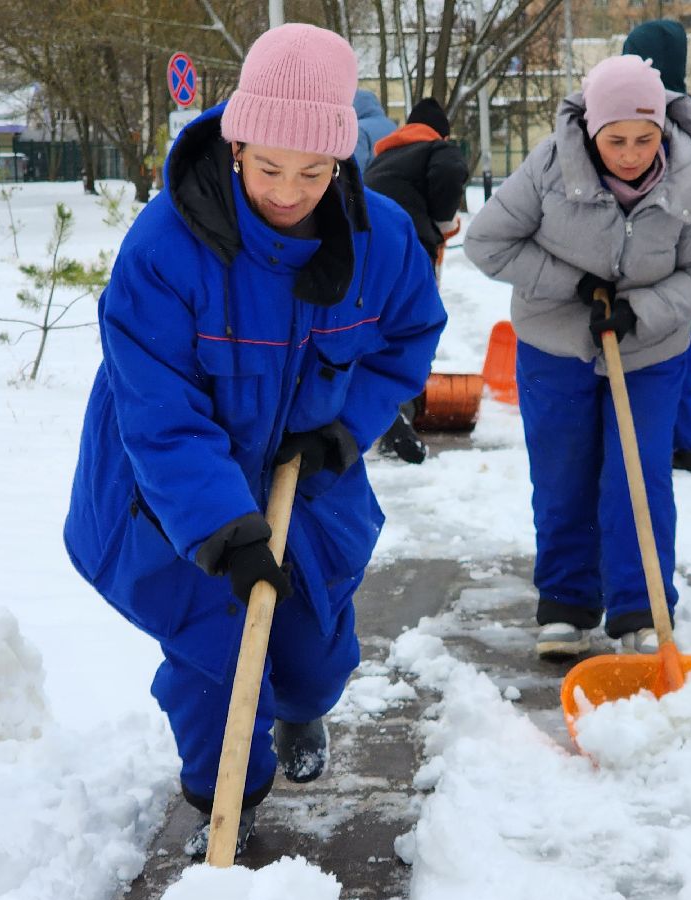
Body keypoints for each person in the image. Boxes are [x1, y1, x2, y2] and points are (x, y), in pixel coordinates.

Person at [63, 24, 447, 856]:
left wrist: (344, 430)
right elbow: (160, 411)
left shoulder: (380, 241)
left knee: (312, 657)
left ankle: (302, 709)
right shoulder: (166, 249)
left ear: (341, 160)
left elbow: (408, 336)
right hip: (172, 492)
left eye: (314, 172)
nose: (288, 192)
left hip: (304, 480)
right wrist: (221, 530)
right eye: (269, 167)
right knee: (217, 654)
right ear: (235, 143)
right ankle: (224, 798)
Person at [465, 54, 691, 659]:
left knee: (638, 476)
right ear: (591, 131)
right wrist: (576, 285)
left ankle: (642, 607)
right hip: (555, 346)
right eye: (616, 140)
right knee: (564, 475)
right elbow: (487, 242)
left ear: (663, 129)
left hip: (650, 352)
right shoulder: (550, 167)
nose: (631, 154)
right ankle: (566, 604)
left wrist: (642, 310)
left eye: (645, 139)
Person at [622, 18, 691, 474]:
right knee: (684, 350)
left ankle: (674, 442)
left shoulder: (655, 110)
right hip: (690, 246)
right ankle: (689, 441)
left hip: (664, 241)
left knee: (667, 352)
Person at [364, 97, 471, 464]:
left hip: (366, 249)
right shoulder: (436, 148)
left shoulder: (385, 157)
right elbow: (451, 170)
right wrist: (442, 219)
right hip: (408, 249)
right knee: (413, 330)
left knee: (377, 330)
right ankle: (396, 418)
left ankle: (379, 409)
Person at [352, 88, 396, 174]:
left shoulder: (359, 129)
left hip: (371, 179)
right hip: (394, 177)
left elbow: (357, 164)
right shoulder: (392, 125)